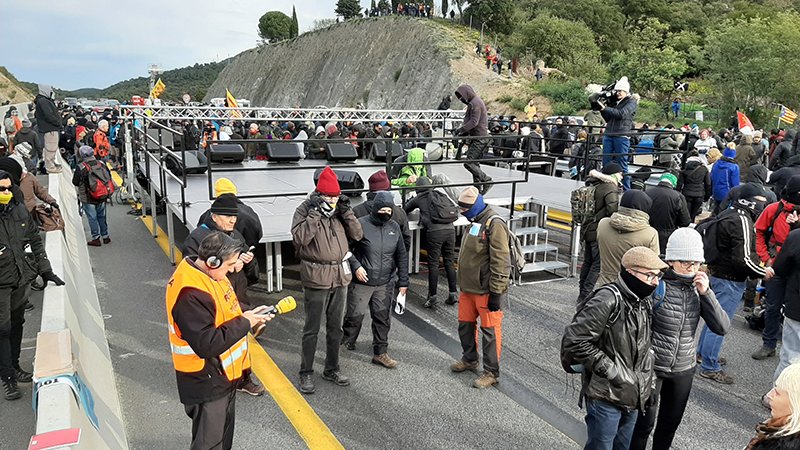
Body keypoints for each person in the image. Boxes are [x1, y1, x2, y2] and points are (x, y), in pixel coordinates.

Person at [166, 231, 273, 450]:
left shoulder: (211, 276)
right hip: (206, 380)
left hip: (222, 376)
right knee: (209, 444)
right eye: (230, 265)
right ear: (212, 262)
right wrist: (245, 323)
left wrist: (251, 314)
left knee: (222, 440)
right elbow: (207, 344)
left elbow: (226, 310)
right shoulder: (190, 292)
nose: (233, 269)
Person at [629, 229, 730, 450]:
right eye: (685, 262)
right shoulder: (656, 285)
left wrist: (707, 294)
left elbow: (722, 327)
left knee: (668, 429)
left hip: (684, 369)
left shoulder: (698, 289)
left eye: (696, 262)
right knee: (643, 426)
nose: (691, 267)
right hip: (652, 368)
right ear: (671, 260)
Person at [561, 247, 666, 450]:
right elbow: (575, 340)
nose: (656, 282)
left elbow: (645, 349)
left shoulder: (643, 301)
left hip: (632, 394)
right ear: (630, 272)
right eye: (650, 275)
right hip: (605, 394)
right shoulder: (606, 299)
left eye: (657, 276)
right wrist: (613, 372)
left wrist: (649, 385)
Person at [291, 166, 363, 395]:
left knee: (335, 327)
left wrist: (347, 212)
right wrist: (315, 214)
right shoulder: (304, 210)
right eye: (328, 196)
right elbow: (300, 238)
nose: (332, 200)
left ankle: (332, 368)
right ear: (319, 193)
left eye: (335, 196)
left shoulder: (339, 211)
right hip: (316, 276)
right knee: (311, 328)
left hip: (340, 275)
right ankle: (306, 372)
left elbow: (358, 235)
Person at [0, 169, 64, 400]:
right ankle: (8, 378)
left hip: (20, 279)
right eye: (1, 189)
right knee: (3, 329)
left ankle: (14, 367)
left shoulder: (19, 211)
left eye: (9, 188)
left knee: (17, 324)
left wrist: (46, 271)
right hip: (2, 285)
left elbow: (35, 242)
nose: (6, 192)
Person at [697, 185, 768, 384]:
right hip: (730, 279)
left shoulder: (728, 212)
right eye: (760, 199)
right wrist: (764, 272)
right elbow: (743, 258)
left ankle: (703, 354)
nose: (762, 203)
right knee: (719, 323)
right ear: (749, 200)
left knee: (712, 318)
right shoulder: (742, 220)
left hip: (717, 273)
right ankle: (710, 366)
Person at [450, 186, 510, 389]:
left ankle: (492, 372)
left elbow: (501, 260)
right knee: (465, 326)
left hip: (485, 291)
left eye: (464, 209)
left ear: (474, 207)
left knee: (490, 332)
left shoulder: (494, 223)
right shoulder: (475, 220)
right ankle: (469, 359)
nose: (461, 212)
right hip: (468, 288)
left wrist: (496, 292)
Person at [342, 191, 409, 368]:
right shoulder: (360, 224)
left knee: (382, 318)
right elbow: (345, 249)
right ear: (376, 207)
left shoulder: (394, 227)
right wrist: (356, 266)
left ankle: (380, 352)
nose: (386, 213)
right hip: (362, 282)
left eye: (389, 210)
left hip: (385, 282)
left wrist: (403, 282)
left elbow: (401, 255)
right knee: (354, 316)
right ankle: (346, 342)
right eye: (383, 209)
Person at [752, 176, 800, 363]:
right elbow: (760, 233)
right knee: (772, 306)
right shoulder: (773, 210)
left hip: (796, 269)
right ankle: (769, 343)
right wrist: (766, 259)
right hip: (776, 266)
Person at [404, 176, 459, 307]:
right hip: (450, 230)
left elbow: (406, 209)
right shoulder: (440, 194)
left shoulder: (419, 198)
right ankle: (453, 293)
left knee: (433, 264)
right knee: (449, 262)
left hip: (435, 233)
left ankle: (432, 296)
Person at [576, 163, 623, 303]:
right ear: (613, 174)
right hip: (599, 230)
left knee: (588, 261)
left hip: (587, 228)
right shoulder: (610, 187)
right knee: (597, 264)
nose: (621, 176)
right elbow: (612, 210)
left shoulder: (594, 184)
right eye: (620, 173)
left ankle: (581, 292)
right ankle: (585, 295)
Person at [596, 190, 660, 285]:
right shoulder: (650, 234)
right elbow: (654, 266)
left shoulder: (603, 224)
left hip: (603, 284)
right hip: (632, 287)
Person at [745, 363, 800, 449]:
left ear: (796, 403)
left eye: (777, 393)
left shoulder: (779, 445)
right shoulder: (783, 429)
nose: (769, 395)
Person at [197, 178, 263, 249]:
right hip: (246, 252)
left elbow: (200, 234)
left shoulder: (207, 215)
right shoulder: (249, 212)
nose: (232, 220)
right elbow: (258, 233)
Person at [454, 84, 493, 195]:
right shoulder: (474, 103)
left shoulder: (475, 104)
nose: (461, 99)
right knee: (474, 163)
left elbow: (473, 122)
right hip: (477, 136)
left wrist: (460, 130)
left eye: (461, 97)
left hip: (479, 138)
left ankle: (486, 180)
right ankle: (477, 188)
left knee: (469, 163)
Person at [600, 76, 638, 190]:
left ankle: (626, 190)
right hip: (610, 133)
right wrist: (602, 109)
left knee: (622, 164)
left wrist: (605, 108)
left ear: (626, 91)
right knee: (606, 162)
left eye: (621, 91)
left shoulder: (631, 101)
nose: (618, 93)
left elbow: (621, 114)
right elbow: (608, 118)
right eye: (617, 91)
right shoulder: (614, 102)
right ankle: (605, 187)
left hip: (622, 135)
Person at [72, 145, 111, 246]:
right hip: (102, 194)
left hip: (88, 197)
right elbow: (108, 176)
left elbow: (75, 182)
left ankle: (96, 238)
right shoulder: (101, 163)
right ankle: (105, 236)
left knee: (92, 217)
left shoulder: (81, 167)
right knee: (102, 216)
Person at [646, 173, 691, 254]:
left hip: (647, 233)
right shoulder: (678, 197)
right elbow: (685, 222)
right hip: (668, 236)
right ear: (673, 183)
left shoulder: (647, 192)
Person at [34, 84, 63, 174]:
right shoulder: (43, 101)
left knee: (52, 148)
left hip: (50, 128)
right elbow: (49, 115)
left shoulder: (43, 101)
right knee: (50, 148)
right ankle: (50, 167)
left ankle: (52, 163)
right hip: (50, 129)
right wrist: (58, 123)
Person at [677, 150, 712, 222]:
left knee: (686, 215)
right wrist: (707, 196)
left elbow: (679, 184)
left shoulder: (684, 168)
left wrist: (677, 195)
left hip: (686, 194)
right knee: (693, 215)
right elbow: (708, 184)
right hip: (699, 195)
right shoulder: (704, 169)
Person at [710, 144, 740, 212]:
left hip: (715, 192)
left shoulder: (716, 164)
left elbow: (711, 177)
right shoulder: (734, 167)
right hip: (727, 194)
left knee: (716, 211)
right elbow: (735, 184)